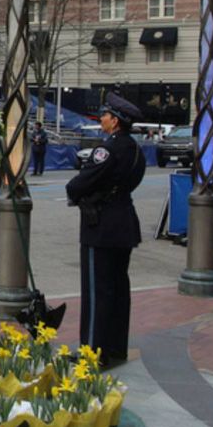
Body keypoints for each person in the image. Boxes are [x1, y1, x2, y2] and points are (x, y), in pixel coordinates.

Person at [66, 93, 146, 369]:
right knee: (117, 288)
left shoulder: (107, 149)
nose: (101, 119)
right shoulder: (135, 149)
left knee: (96, 291)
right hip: (124, 224)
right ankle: (115, 348)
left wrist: (74, 191)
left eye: (105, 115)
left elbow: (81, 183)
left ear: (115, 121)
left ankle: (91, 352)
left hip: (100, 226)